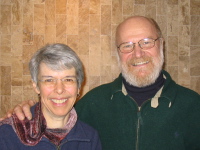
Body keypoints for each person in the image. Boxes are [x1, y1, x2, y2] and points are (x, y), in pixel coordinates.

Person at [2, 16, 200, 150]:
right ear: (117, 53)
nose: (138, 53)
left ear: (161, 45)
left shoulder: (194, 107)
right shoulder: (93, 103)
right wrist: (26, 109)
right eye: (127, 46)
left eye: (146, 42)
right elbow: (57, 108)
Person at [0, 43, 102, 150]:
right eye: (49, 80)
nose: (59, 89)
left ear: (78, 87)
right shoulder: (7, 135)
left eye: (68, 79)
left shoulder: (90, 138)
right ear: (36, 86)